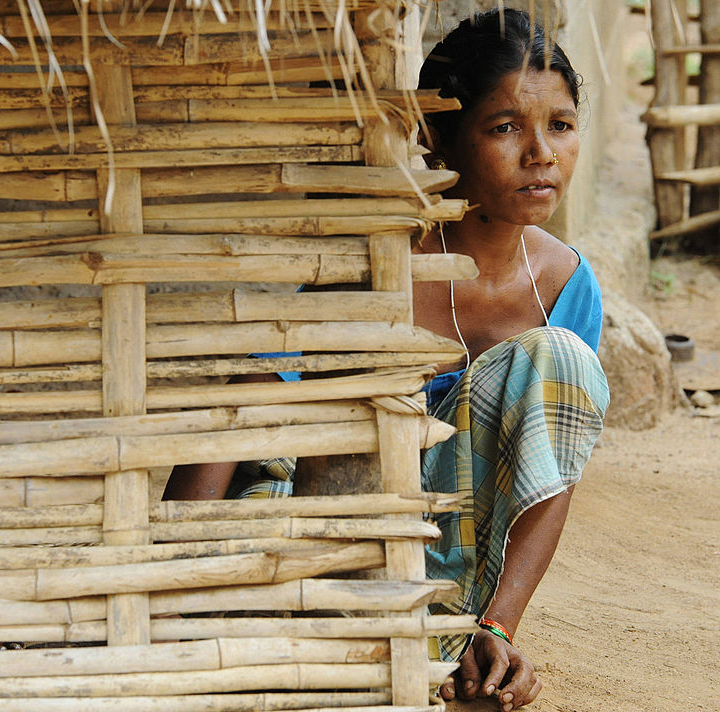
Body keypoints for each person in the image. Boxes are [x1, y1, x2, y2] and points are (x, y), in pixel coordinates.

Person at [164, 8, 609, 711]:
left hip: (448, 560)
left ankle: (465, 644)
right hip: (319, 524)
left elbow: (554, 475)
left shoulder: (567, 287)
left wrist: (500, 624)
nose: (541, 153)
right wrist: (169, 584)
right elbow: (247, 399)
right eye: (504, 128)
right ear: (439, 137)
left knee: (565, 361)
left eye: (559, 124)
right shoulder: (380, 259)